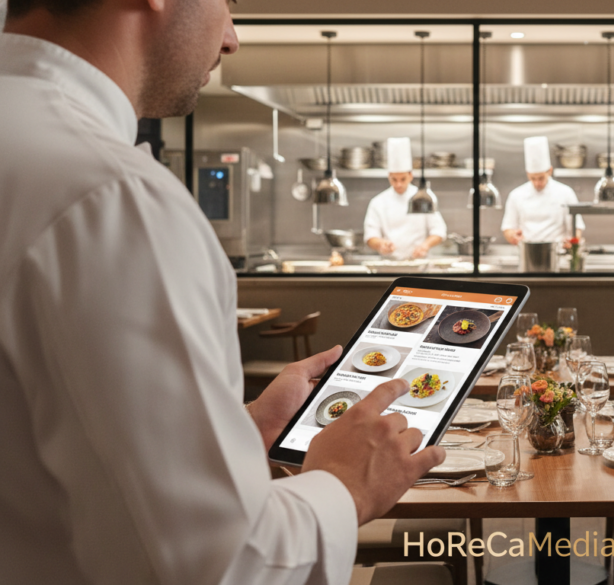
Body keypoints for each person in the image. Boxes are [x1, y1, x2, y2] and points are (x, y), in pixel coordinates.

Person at [0, 2, 443, 584]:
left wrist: (235, 429)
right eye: (226, 2)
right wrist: (345, 485)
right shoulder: (116, 197)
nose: (231, 38)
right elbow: (222, 565)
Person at [364, 137, 447, 259]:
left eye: (402, 179)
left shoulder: (423, 198)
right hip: (389, 265)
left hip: (419, 264)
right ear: (389, 176)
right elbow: (370, 236)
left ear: (410, 176)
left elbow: (439, 231)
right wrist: (381, 244)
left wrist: (425, 245)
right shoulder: (378, 202)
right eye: (394, 179)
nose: (398, 184)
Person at [501, 135, 584, 246]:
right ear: (527, 173)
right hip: (527, 253)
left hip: (556, 253)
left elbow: (576, 228)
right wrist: (513, 235)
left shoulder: (565, 193)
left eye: (541, 178)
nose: (537, 183)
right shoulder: (516, 195)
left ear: (549, 171)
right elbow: (508, 228)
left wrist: (572, 241)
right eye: (532, 178)